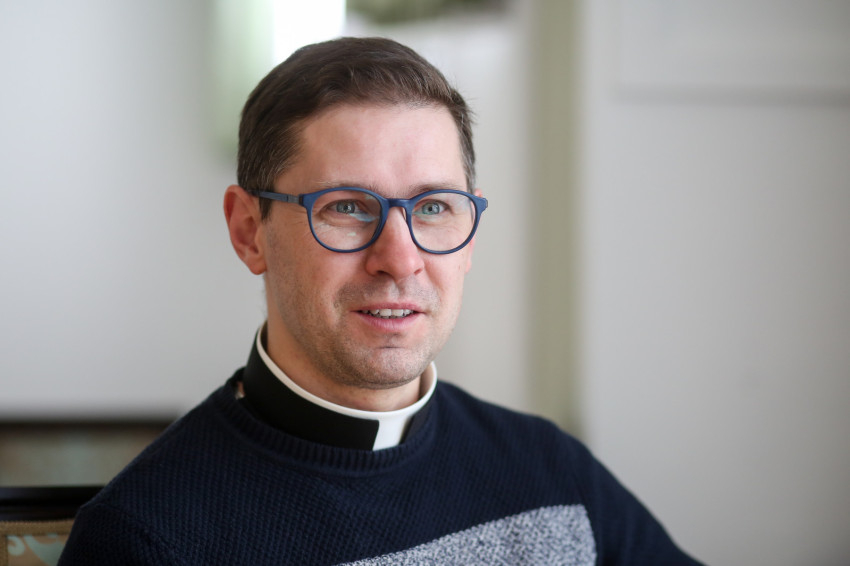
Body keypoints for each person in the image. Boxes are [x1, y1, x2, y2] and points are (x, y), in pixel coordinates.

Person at [59, 37, 701, 565]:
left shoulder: (550, 470)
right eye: (345, 207)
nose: (400, 257)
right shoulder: (147, 539)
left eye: (433, 207)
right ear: (250, 232)